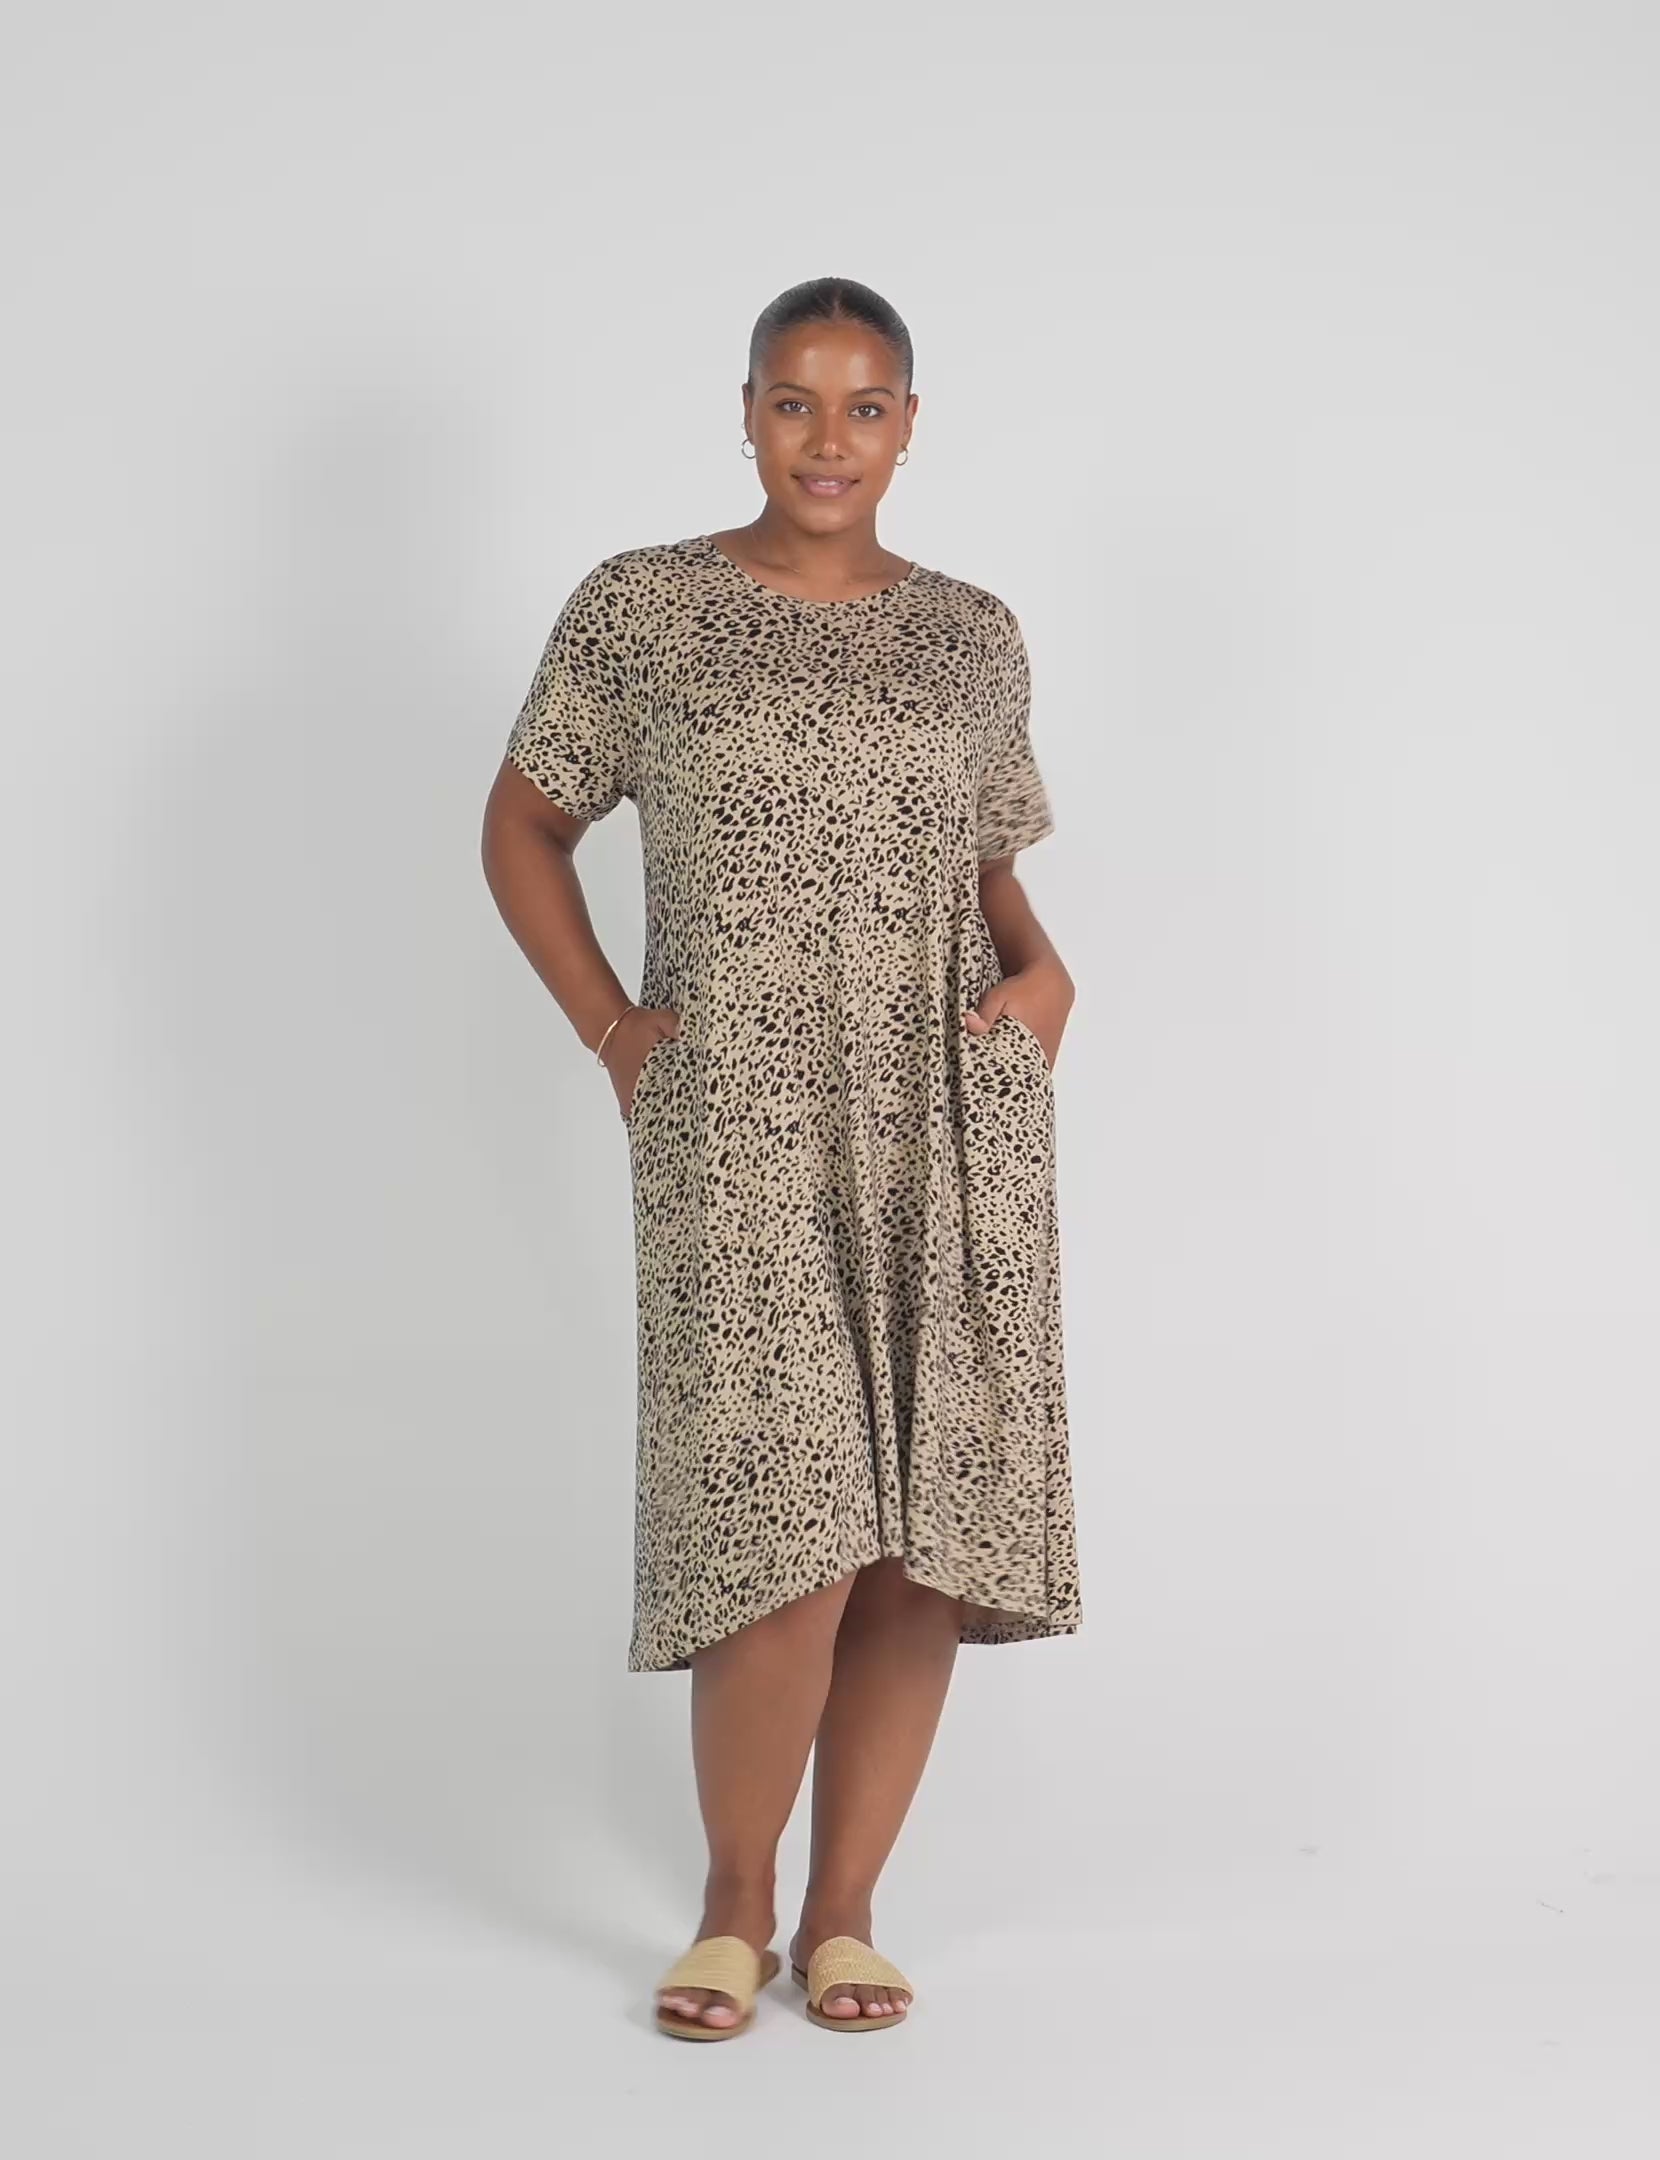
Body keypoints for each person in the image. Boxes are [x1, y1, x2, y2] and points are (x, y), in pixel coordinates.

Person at [480, 276, 1082, 2040]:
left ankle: (845, 1914)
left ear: (910, 426)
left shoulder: (973, 633)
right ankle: (734, 1905)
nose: (830, 440)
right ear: (745, 413)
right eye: (797, 402)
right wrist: (614, 1028)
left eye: (865, 406)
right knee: (786, 1524)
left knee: (918, 1533)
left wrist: (1044, 974)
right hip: (735, 1121)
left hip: (947, 1110)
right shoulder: (644, 607)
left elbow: (986, 863)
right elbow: (521, 822)